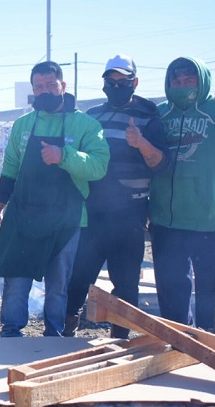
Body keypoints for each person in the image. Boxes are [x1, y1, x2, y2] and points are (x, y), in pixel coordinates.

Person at [0, 61, 109, 337]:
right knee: (16, 278)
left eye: (51, 85)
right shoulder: (22, 125)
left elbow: (99, 166)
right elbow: (9, 170)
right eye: (39, 86)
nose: (45, 91)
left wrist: (63, 156)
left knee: (58, 284)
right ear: (33, 89)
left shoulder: (86, 125)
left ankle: (53, 334)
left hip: (67, 218)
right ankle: (10, 332)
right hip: (23, 215)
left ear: (63, 86)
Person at [149, 57, 215, 330]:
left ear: (202, 81)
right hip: (167, 220)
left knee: (212, 291)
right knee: (172, 291)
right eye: (177, 81)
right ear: (168, 82)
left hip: (208, 218)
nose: (183, 85)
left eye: (190, 80)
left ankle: (213, 340)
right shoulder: (160, 114)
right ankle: (178, 340)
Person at [63, 55, 168, 338]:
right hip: (93, 209)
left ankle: (121, 337)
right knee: (80, 274)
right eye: (110, 82)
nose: (115, 86)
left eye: (122, 81)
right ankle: (67, 325)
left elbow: (160, 163)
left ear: (134, 82)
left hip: (130, 212)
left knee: (126, 280)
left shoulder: (149, 116)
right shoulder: (93, 116)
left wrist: (140, 142)